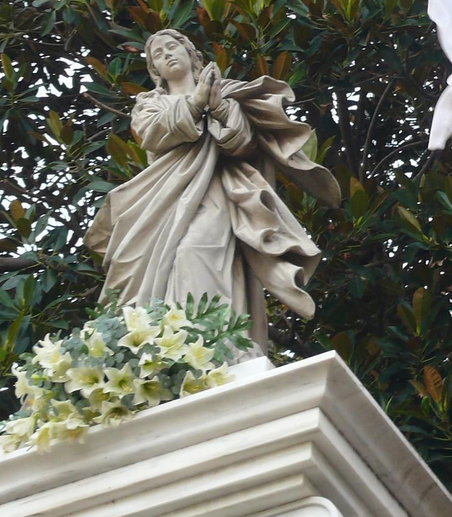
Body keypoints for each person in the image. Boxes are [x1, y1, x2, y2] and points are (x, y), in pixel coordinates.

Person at [85, 30, 340, 335]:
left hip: (216, 192)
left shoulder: (228, 94)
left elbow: (243, 144)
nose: (167, 54)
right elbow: (152, 134)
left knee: (193, 251)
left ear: (191, 54)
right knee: (156, 270)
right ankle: (171, 340)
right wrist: (194, 104)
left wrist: (218, 106)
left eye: (173, 46)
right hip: (162, 199)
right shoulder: (150, 103)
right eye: (158, 54)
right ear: (155, 71)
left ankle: (208, 342)